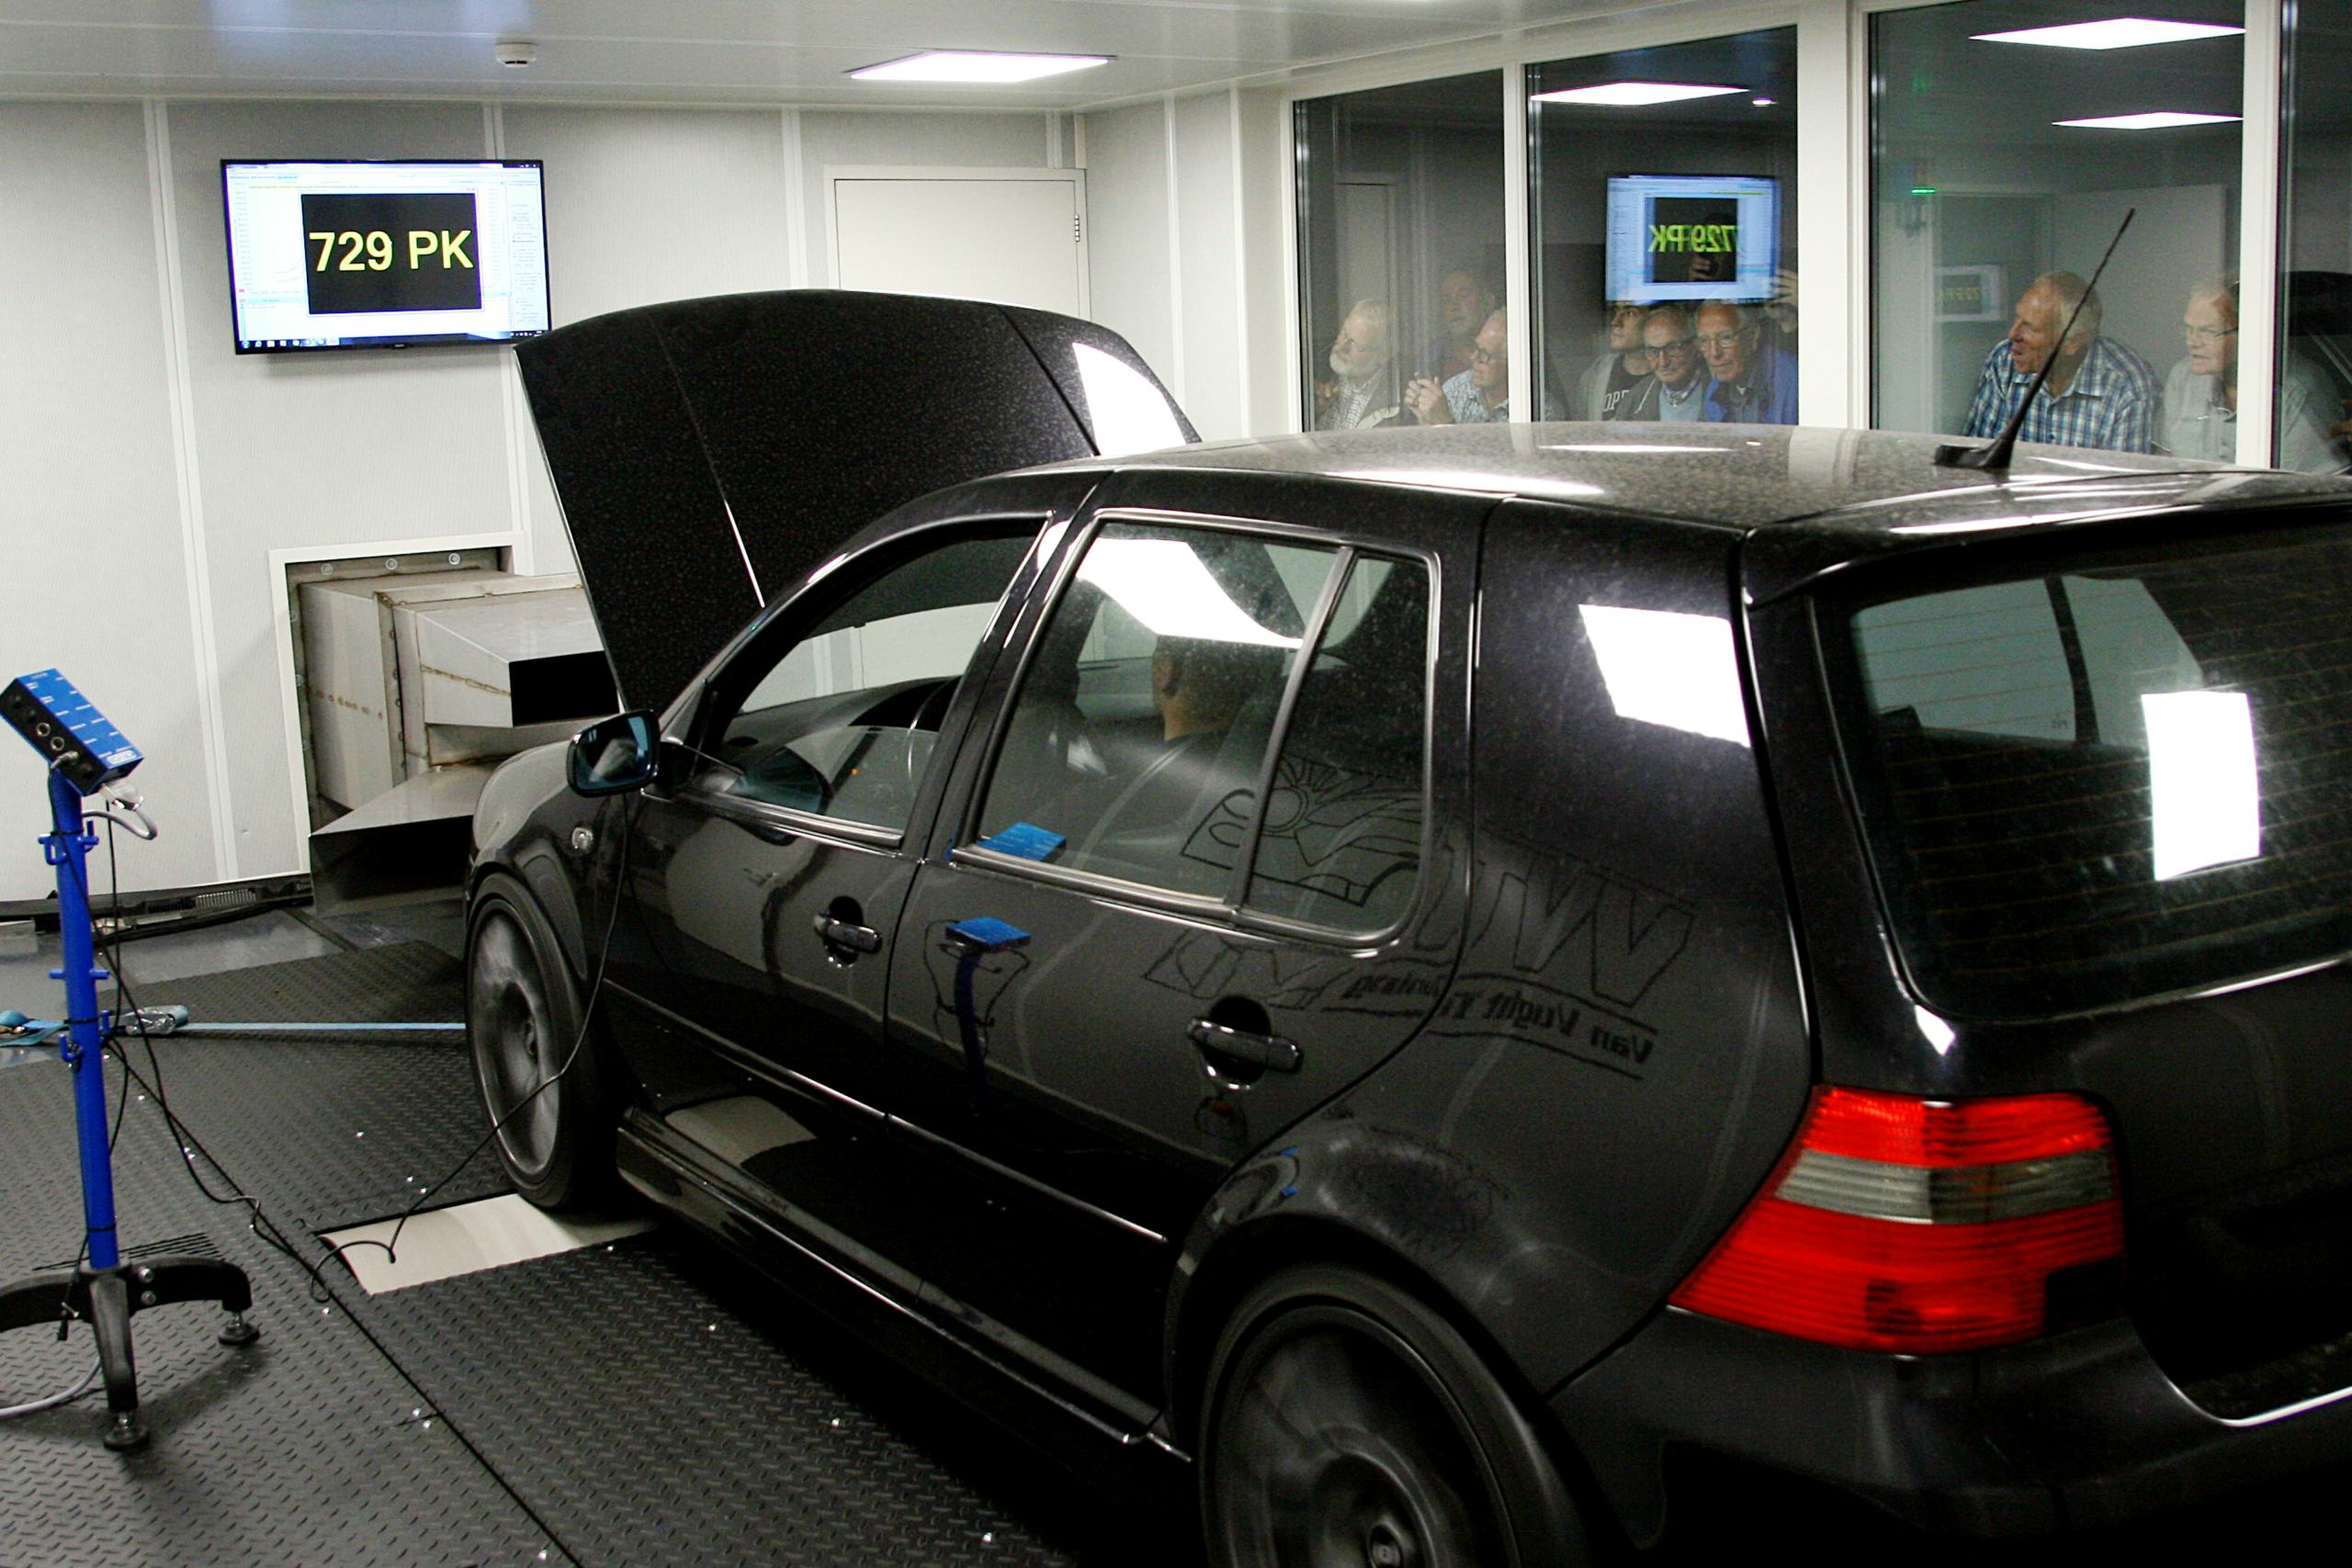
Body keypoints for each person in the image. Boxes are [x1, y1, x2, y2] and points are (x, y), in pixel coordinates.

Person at [2160, 276, 2348, 473]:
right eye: (2188, 329)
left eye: (2208, 331)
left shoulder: (2299, 389)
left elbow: (2298, 487)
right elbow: (2163, 467)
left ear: (2249, 331)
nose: (2192, 342)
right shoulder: (2183, 377)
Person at [1962, 272, 2155, 453]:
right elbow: (1978, 458)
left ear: (2072, 343)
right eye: (2017, 318)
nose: (2013, 334)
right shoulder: (2004, 361)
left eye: (2030, 327)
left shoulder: (2126, 386)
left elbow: (2123, 485)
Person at [1696, 300, 1798, 424]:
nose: (1714, 353)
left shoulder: (1792, 380)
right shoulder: (1715, 390)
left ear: (1753, 335)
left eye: (1725, 338)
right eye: (1704, 340)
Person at [1404, 309, 1510, 424]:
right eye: (1476, 347)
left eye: (1484, 354)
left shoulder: (1527, 405)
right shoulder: (1457, 389)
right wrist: (1425, 419)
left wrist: (1446, 423)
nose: (1474, 358)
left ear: (1510, 362)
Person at [1314, 299, 1401, 431]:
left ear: (1384, 355)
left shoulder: (1398, 400)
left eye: (1355, 345)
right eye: (1343, 333)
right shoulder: (1309, 370)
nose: (1342, 347)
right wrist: (1313, 410)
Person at [1616, 306, 1708, 423]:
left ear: (1694, 346)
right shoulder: (1634, 400)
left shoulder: (1720, 392)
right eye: (1653, 351)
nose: (1663, 362)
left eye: (1672, 348)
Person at [1417, 268, 1497, 388]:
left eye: (1463, 295)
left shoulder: (1505, 352)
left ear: (1488, 301)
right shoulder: (1431, 358)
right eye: (1446, 299)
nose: (1453, 306)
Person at [1577, 299, 1651, 420]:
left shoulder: (1669, 375)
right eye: (1616, 310)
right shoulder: (1594, 377)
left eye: (1631, 313)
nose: (1615, 322)